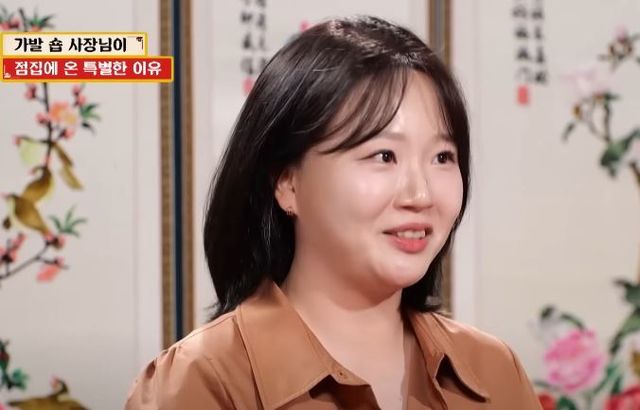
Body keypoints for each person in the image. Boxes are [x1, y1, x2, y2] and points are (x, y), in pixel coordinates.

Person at [125, 15, 542, 410]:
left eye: (442, 157)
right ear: (287, 182)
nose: (420, 195)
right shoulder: (200, 381)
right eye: (384, 155)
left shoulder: (493, 373)